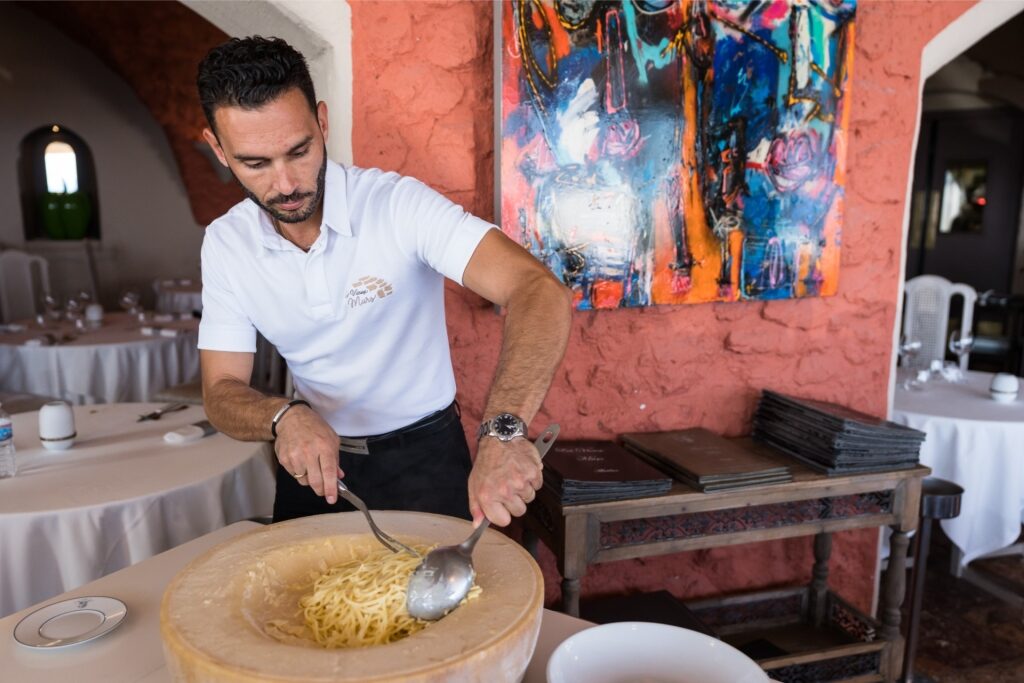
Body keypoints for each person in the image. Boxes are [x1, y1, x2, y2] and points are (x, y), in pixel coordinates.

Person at [195, 36, 571, 527]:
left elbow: (537, 290)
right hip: (312, 463)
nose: (285, 183)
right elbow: (220, 390)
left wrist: (503, 434)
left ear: (323, 123)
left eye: (299, 151)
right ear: (218, 149)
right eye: (256, 163)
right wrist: (281, 416)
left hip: (427, 457)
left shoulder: (397, 206)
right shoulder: (225, 244)